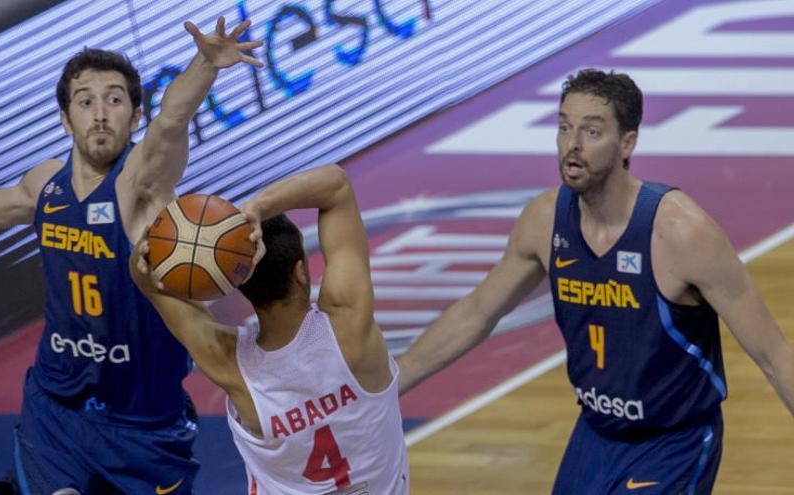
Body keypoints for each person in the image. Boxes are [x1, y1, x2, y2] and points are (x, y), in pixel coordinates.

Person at [396, 69, 794, 494]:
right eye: (565, 127)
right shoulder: (544, 220)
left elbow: (774, 354)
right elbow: (477, 313)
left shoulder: (680, 232)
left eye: (592, 131)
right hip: (595, 434)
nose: (573, 145)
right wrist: (387, 388)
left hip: (673, 441)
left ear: (628, 143)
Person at [0, 16, 263, 495]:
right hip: (56, 407)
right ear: (65, 118)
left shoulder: (141, 184)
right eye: (86, 102)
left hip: (144, 420)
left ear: (134, 115)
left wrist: (205, 64)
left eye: (115, 100)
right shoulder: (44, 185)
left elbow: (173, 121)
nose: (100, 114)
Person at [130, 164, 409, 494]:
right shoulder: (350, 323)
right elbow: (336, 185)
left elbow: (145, 278)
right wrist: (257, 209)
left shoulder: (229, 365)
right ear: (301, 271)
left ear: (240, 287)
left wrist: (151, 256)